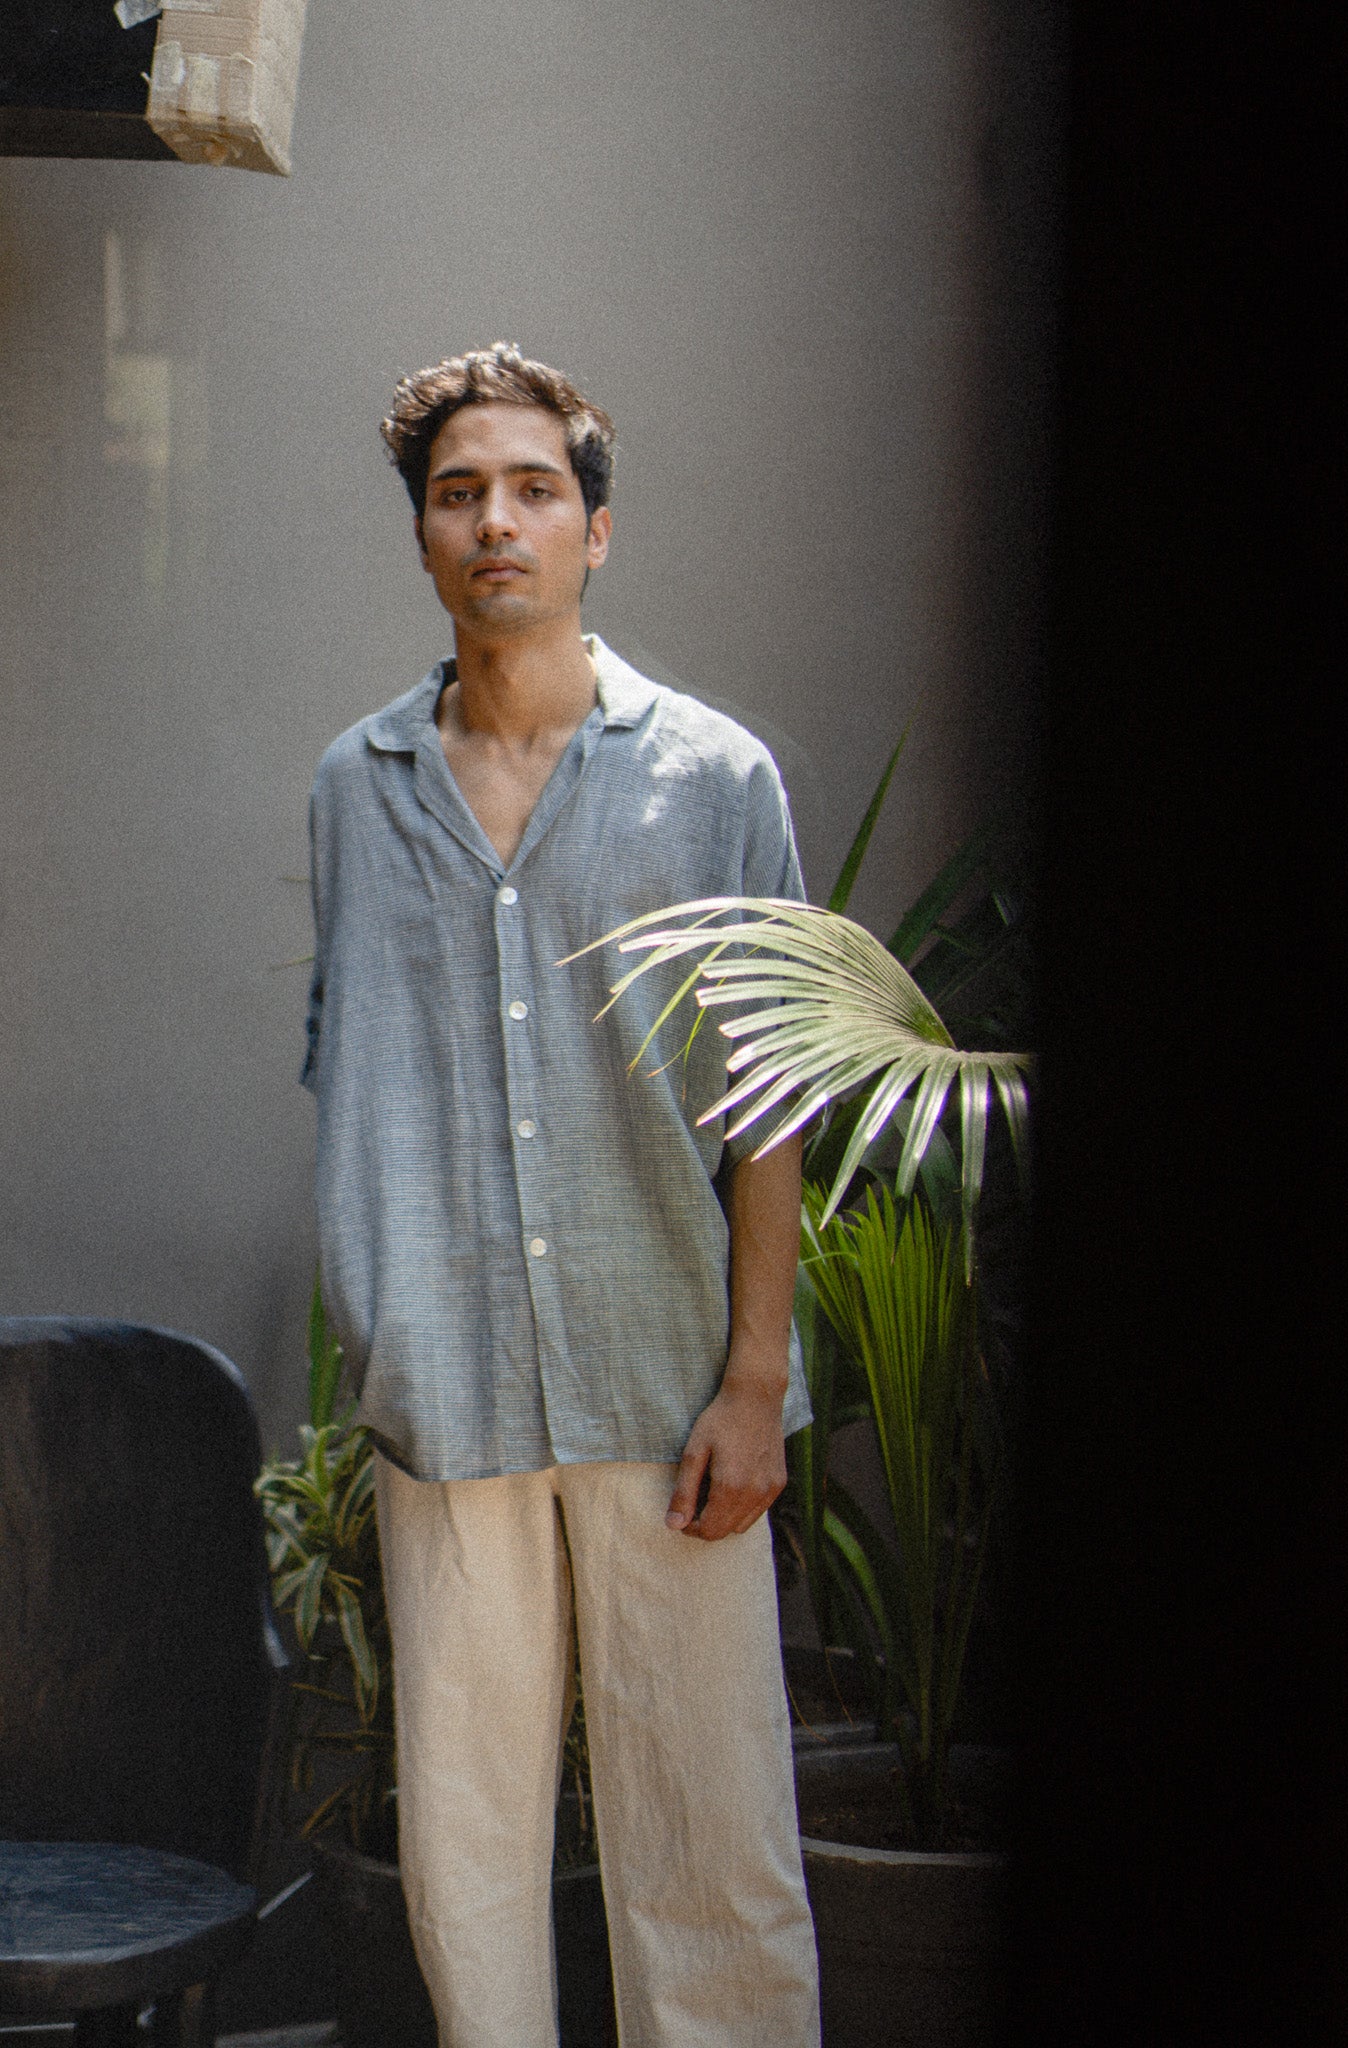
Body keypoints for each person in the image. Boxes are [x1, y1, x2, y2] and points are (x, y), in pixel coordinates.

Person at [303, 342, 821, 2047]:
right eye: (459, 495)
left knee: (710, 1836)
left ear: (595, 530)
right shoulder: (354, 791)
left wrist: (753, 1380)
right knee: (465, 1854)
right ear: (423, 537)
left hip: (665, 1381)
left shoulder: (716, 781)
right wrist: (381, 1323)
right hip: (446, 1393)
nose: (496, 523)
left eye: (533, 490)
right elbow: (349, 1066)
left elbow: (767, 1099)